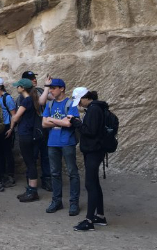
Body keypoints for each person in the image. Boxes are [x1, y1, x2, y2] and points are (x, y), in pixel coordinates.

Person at [71, 88, 109, 231]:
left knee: (90, 184)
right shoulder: (96, 108)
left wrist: (76, 123)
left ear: (85, 97)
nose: (79, 104)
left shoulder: (93, 110)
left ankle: (89, 220)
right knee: (95, 183)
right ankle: (99, 215)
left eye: (80, 101)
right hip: (96, 150)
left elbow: (90, 131)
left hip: (94, 151)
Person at [42, 78, 81, 215]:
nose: (51, 90)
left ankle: (74, 202)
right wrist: (59, 121)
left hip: (67, 142)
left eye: (53, 88)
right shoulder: (50, 104)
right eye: (50, 88)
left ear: (62, 88)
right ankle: (56, 201)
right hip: (52, 142)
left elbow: (69, 124)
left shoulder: (71, 104)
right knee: (55, 173)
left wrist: (51, 120)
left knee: (72, 172)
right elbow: (43, 124)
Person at [10, 78, 41, 202]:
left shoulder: (26, 101)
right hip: (29, 134)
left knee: (30, 162)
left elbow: (16, 118)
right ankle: (30, 189)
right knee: (30, 161)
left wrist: (12, 117)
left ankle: (32, 191)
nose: (17, 87)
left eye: (18, 86)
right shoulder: (31, 99)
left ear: (22, 88)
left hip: (25, 134)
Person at [24, 70, 52, 192]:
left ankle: (46, 180)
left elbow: (51, 96)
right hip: (33, 131)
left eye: (34, 78)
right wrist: (47, 87)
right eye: (31, 78)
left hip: (44, 129)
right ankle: (31, 180)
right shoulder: (25, 94)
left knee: (46, 155)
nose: (34, 80)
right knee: (33, 156)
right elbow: (41, 101)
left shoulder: (40, 90)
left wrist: (51, 87)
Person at [0, 77, 17, 187]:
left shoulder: (7, 98)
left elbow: (13, 115)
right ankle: (1, 174)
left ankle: (10, 175)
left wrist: (11, 129)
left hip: (6, 127)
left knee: (7, 152)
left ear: (0, 87)